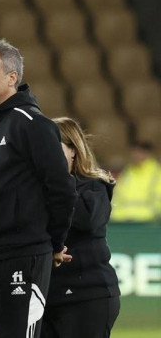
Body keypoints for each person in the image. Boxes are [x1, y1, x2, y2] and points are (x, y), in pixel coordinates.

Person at [0, 39, 77, 338]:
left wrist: (54, 243)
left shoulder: (34, 125)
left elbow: (62, 189)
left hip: (24, 253)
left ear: (12, 78)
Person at [42, 118, 120, 338]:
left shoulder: (93, 186)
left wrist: (57, 181)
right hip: (46, 296)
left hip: (87, 295)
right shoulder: (36, 188)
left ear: (73, 150)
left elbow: (87, 219)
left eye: (53, 147)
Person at [109, 142, 161, 222]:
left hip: (150, 222)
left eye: (139, 152)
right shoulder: (127, 172)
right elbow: (117, 197)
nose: (135, 155)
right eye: (134, 152)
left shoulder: (157, 173)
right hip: (121, 221)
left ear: (147, 154)